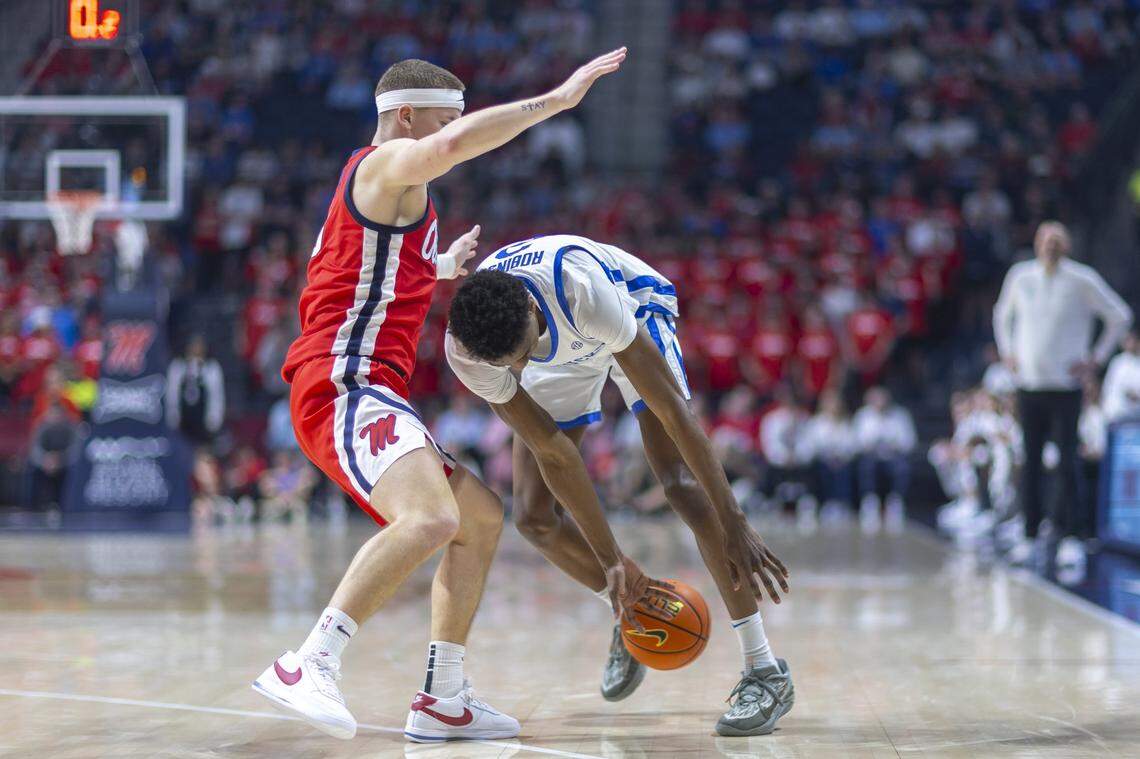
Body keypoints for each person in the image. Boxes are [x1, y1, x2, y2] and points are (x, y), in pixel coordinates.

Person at [252, 51, 630, 743]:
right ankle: (308, 661)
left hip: (368, 386)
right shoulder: (381, 165)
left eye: (454, 120)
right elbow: (452, 148)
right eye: (441, 119)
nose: (450, 133)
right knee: (429, 518)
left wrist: (438, 265)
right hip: (343, 382)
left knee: (477, 517)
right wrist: (558, 98)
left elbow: (367, 273)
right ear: (406, 117)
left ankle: (443, 697)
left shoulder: (393, 197)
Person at [445, 234, 793, 738]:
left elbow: (674, 411)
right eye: (509, 366)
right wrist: (613, 560)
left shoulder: (581, 287)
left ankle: (764, 669)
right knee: (534, 518)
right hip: (555, 346)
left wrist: (734, 520)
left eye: (518, 356)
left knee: (676, 481)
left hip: (628, 308)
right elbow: (553, 452)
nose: (518, 371)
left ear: (527, 309)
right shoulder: (472, 349)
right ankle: (630, 606)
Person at [992, 221, 1132, 566]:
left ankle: (1069, 534)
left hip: (1066, 387)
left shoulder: (1082, 280)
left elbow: (1120, 317)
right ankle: (1029, 533)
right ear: (1037, 243)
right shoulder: (1021, 276)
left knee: (1068, 461)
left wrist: (1094, 360)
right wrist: (1007, 350)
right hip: (1029, 384)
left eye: (1057, 240)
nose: (1050, 245)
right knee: (1030, 460)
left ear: (1066, 245)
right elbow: (1001, 314)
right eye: (1045, 239)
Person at [853, 386, 917, 532]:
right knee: (866, 466)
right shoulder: (862, 416)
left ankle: (896, 501)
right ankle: (870, 500)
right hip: (871, 457)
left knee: (902, 467)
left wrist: (895, 445)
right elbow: (856, 443)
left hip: (894, 457)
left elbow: (909, 442)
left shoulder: (900, 415)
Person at [167, 335, 226, 449]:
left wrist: (214, 419)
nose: (196, 349)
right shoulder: (178, 366)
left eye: (199, 346)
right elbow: (172, 393)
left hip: (203, 419)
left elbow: (216, 396)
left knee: (202, 449)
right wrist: (173, 416)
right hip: (183, 419)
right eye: (193, 346)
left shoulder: (211, 368)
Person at [1102, 329, 1140, 422]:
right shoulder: (1118, 362)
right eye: (1126, 340)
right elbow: (1111, 387)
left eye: (1130, 340)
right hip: (1117, 414)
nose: (1128, 343)